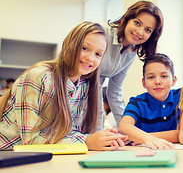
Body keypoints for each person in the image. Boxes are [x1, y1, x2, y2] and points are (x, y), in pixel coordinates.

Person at [0, 21, 127, 151]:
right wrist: (87, 141)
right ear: (70, 45)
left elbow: (68, 134)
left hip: (42, 155)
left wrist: (107, 139)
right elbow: (31, 140)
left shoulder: (82, 85)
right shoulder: (38, 77)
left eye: (98, 54)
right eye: (84, 48)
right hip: (8, 152)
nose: (90, 58)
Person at [98, 0, 164, 130]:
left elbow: (114, 92)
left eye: (148, 30)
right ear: (128, 18)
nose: (140, 32)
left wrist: (127, 129)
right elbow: (92, 85)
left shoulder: (131, 51)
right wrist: (97, 128)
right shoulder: (102, 33)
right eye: (137, 23)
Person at [118, 53, 180, 149]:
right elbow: (123, 127)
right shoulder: (136, 102)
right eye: (151, 77)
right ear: (144, 83)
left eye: (164, 76)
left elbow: (180, 133)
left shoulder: (181, 97)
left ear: (174, 80)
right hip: (145, 153)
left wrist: (143, 138)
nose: (158, 81)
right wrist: (147, 139)